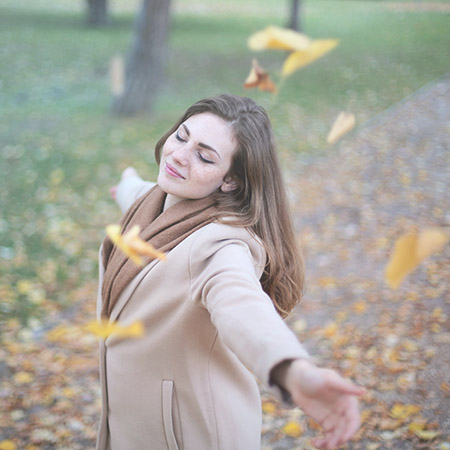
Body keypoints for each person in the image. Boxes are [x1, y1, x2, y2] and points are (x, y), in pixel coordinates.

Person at [97, 94, 364, 450]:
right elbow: (139, 194)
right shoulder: (153, 200)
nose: (178, 155)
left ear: (230, 182)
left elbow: (242, 304)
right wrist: (126, 183)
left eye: (204, 156)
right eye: (181, 136)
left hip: (193, 434)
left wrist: (294, 371)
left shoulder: (221, 245)